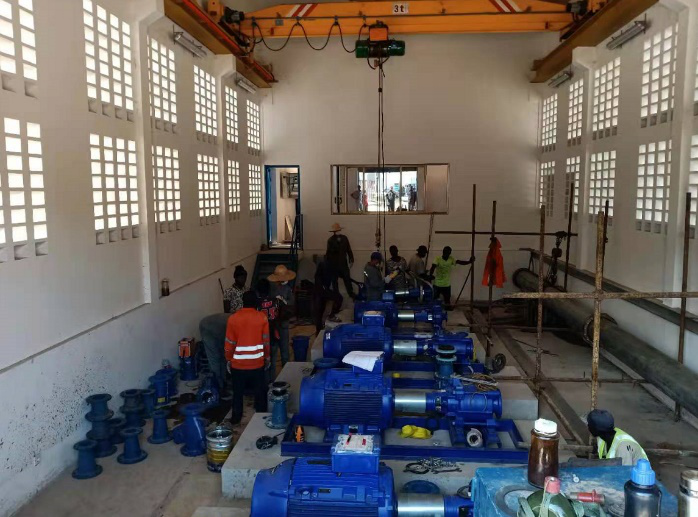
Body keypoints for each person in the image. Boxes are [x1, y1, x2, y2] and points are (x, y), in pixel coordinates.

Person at [224, 290, 270, 425]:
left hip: (238, 365)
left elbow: (229, 343)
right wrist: (267, 357)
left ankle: (236, 418)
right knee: (260, 391)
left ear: (242, 302)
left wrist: (228, 359)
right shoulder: (262, 318)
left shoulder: (233, 318)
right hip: (257, 364)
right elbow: (266, 341)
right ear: (256, 302)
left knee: (237, 393)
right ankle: (261, 416)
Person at [268, 264, 296, 368]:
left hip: (282, 321)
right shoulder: (271, 288)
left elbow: (291, 302)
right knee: (274, 350)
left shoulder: (287, 289)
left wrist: (283, 301)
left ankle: (285, 369)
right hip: (273, 323)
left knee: (284, 349)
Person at [312, 254, 343, 333]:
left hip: (327, 289)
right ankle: (318, 330)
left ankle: (331, 315)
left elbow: (335, 281)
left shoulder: (335, 267)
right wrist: (323, 288)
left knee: (339, 298)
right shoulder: (323, 265)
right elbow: (317, 278)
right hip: (320, 291)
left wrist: (336, 291)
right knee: (319, 311)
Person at [256, 278, 280, 378]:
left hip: (261, 338)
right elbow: (278, 316)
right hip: (274, 334)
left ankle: (265, 384)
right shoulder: (275, 301)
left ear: (257, 290)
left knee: (264, 364)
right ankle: (272, 382)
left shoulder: (256, 304)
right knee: (273, 363)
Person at [326, 223, 355, 299]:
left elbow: (348, 249)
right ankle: (337, 295)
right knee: (335, 280)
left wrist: (351, 259)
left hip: (342, 263)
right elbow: (329, 253)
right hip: (334, 264)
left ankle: (351, 293)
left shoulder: (344, 238)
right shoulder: (331, 240)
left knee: (347, 279)